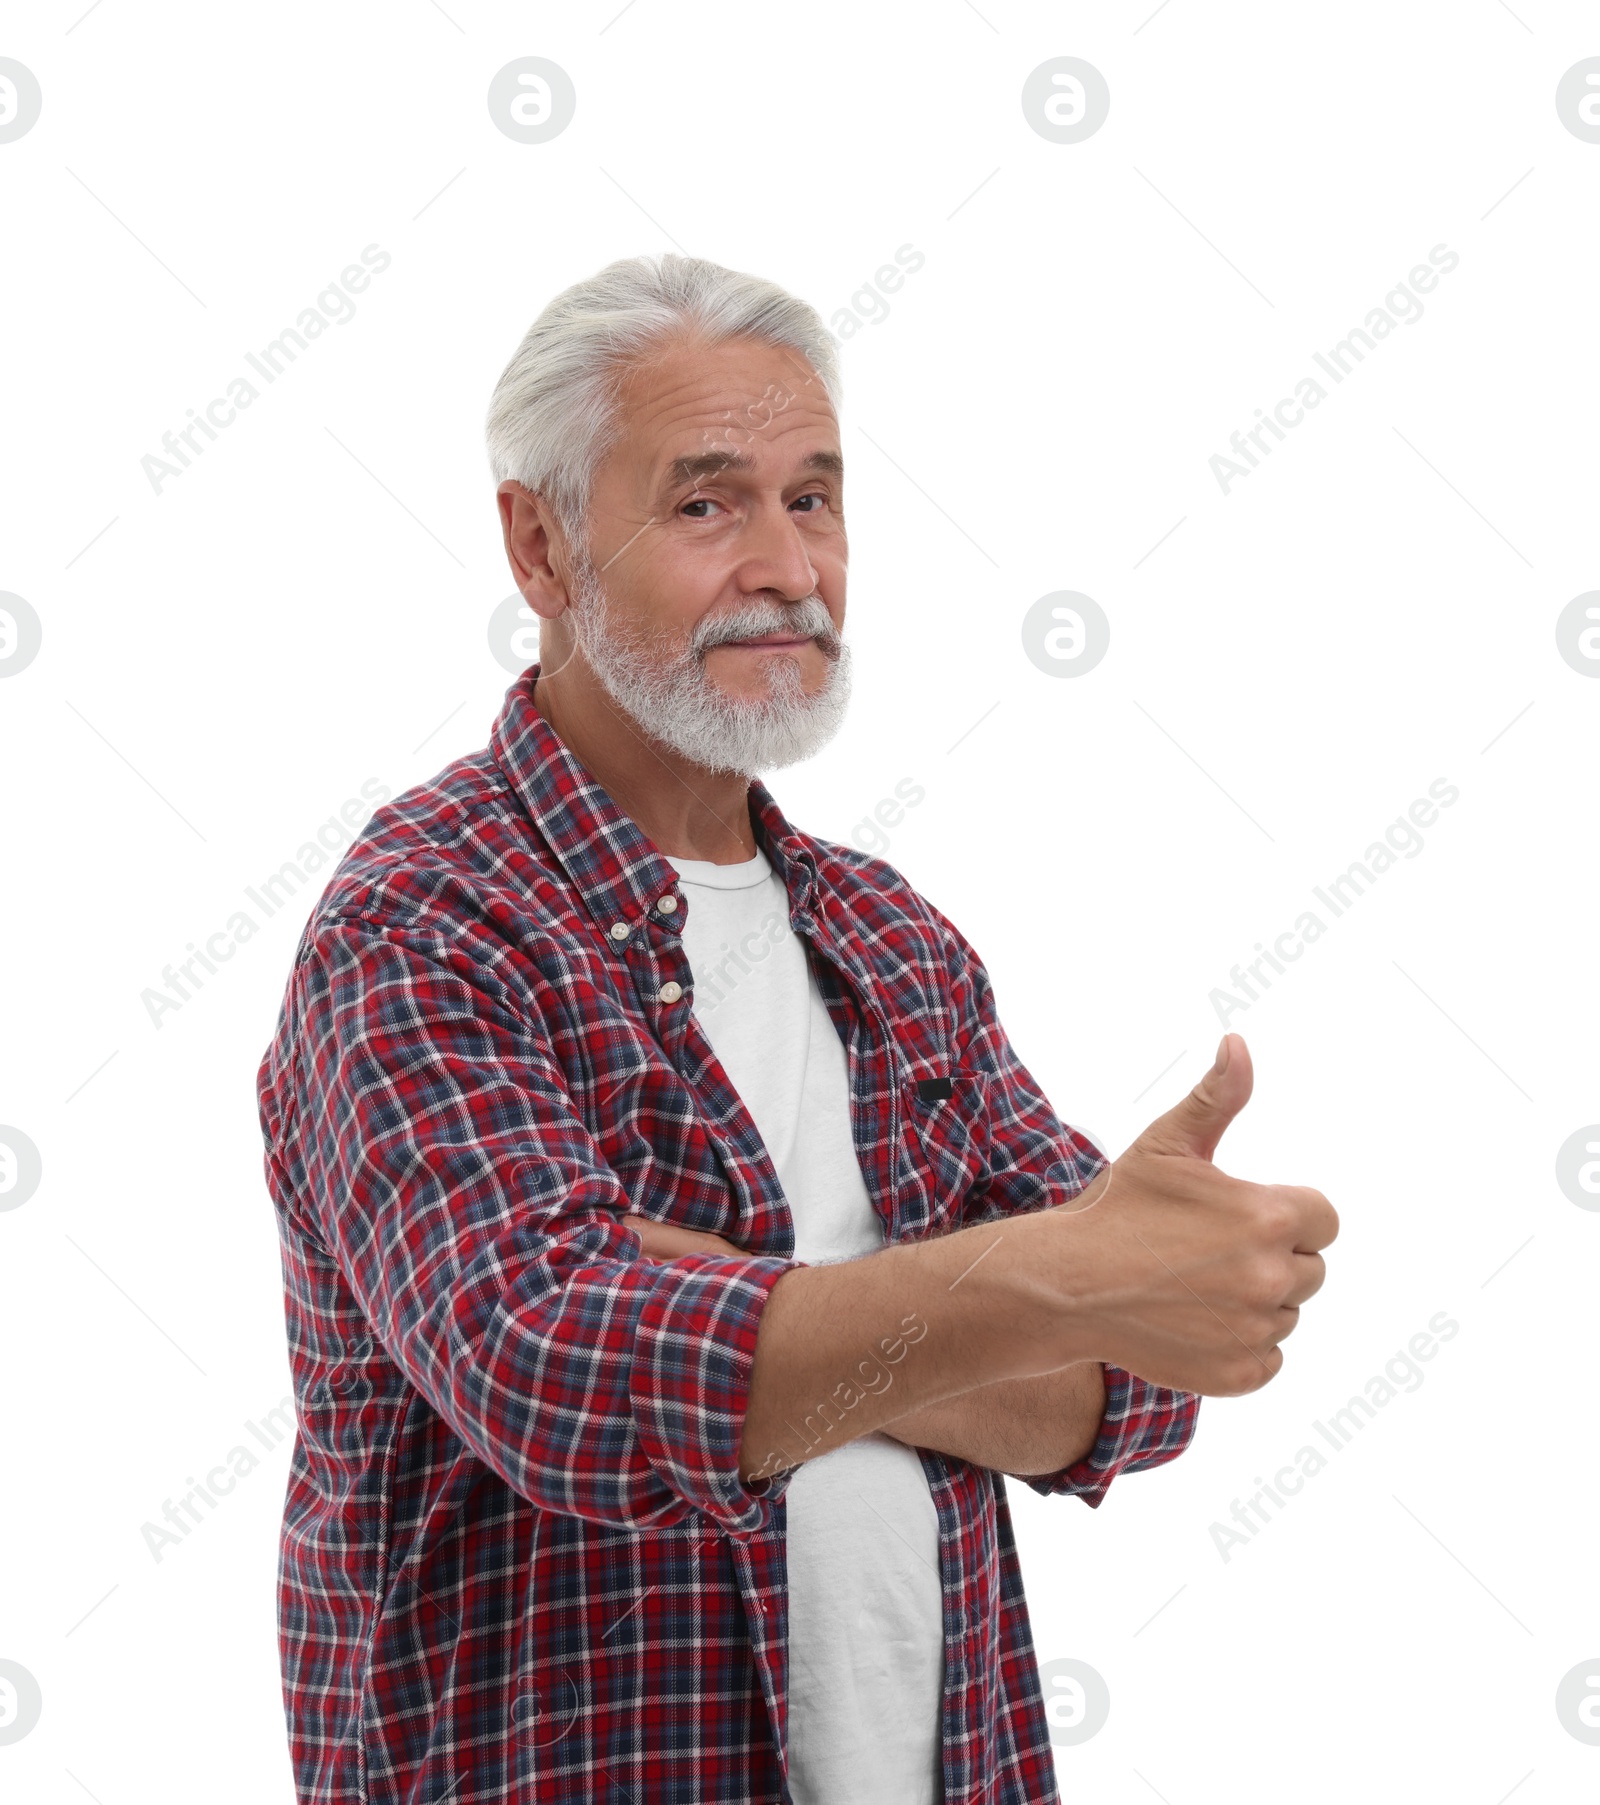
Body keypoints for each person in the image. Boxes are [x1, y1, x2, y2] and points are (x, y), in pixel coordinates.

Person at [256, 252, 1337, 1805]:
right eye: (707, 504)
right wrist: (1028, 1291)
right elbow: (557, 1367)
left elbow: (1131, 1384)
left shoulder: (891, 940)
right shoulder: (424, 925)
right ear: (540, 542)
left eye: (813, 499)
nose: (787, 567)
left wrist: (776, 1301)